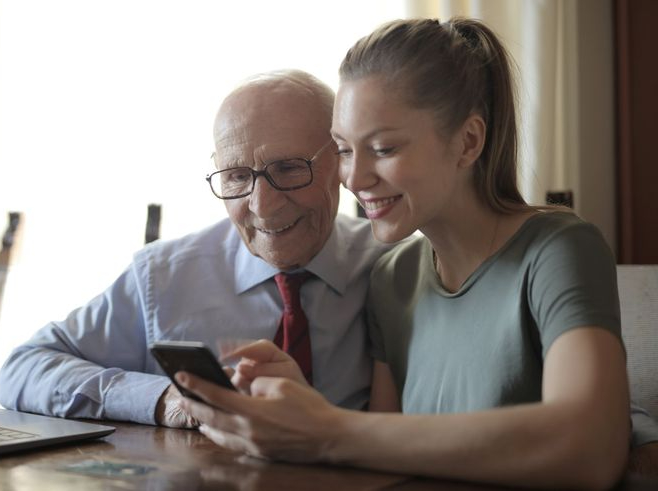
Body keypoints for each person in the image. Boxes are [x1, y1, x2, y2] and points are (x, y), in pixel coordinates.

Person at [177, 18, 633, 489]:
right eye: (344, 151)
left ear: (468, 141)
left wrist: (324, 428)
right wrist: (300, 406)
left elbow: (590, 448)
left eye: (382, 148)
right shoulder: (393, 276)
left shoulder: (558, 249)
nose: (353, 179)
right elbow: (383, 456)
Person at [0, 69, 391, 428]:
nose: (261, 205)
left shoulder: (396, 269)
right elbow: (22, 369)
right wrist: (161, 398)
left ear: (341, 161)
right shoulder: (163, 276)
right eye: (237, 176)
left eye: (288, 169)